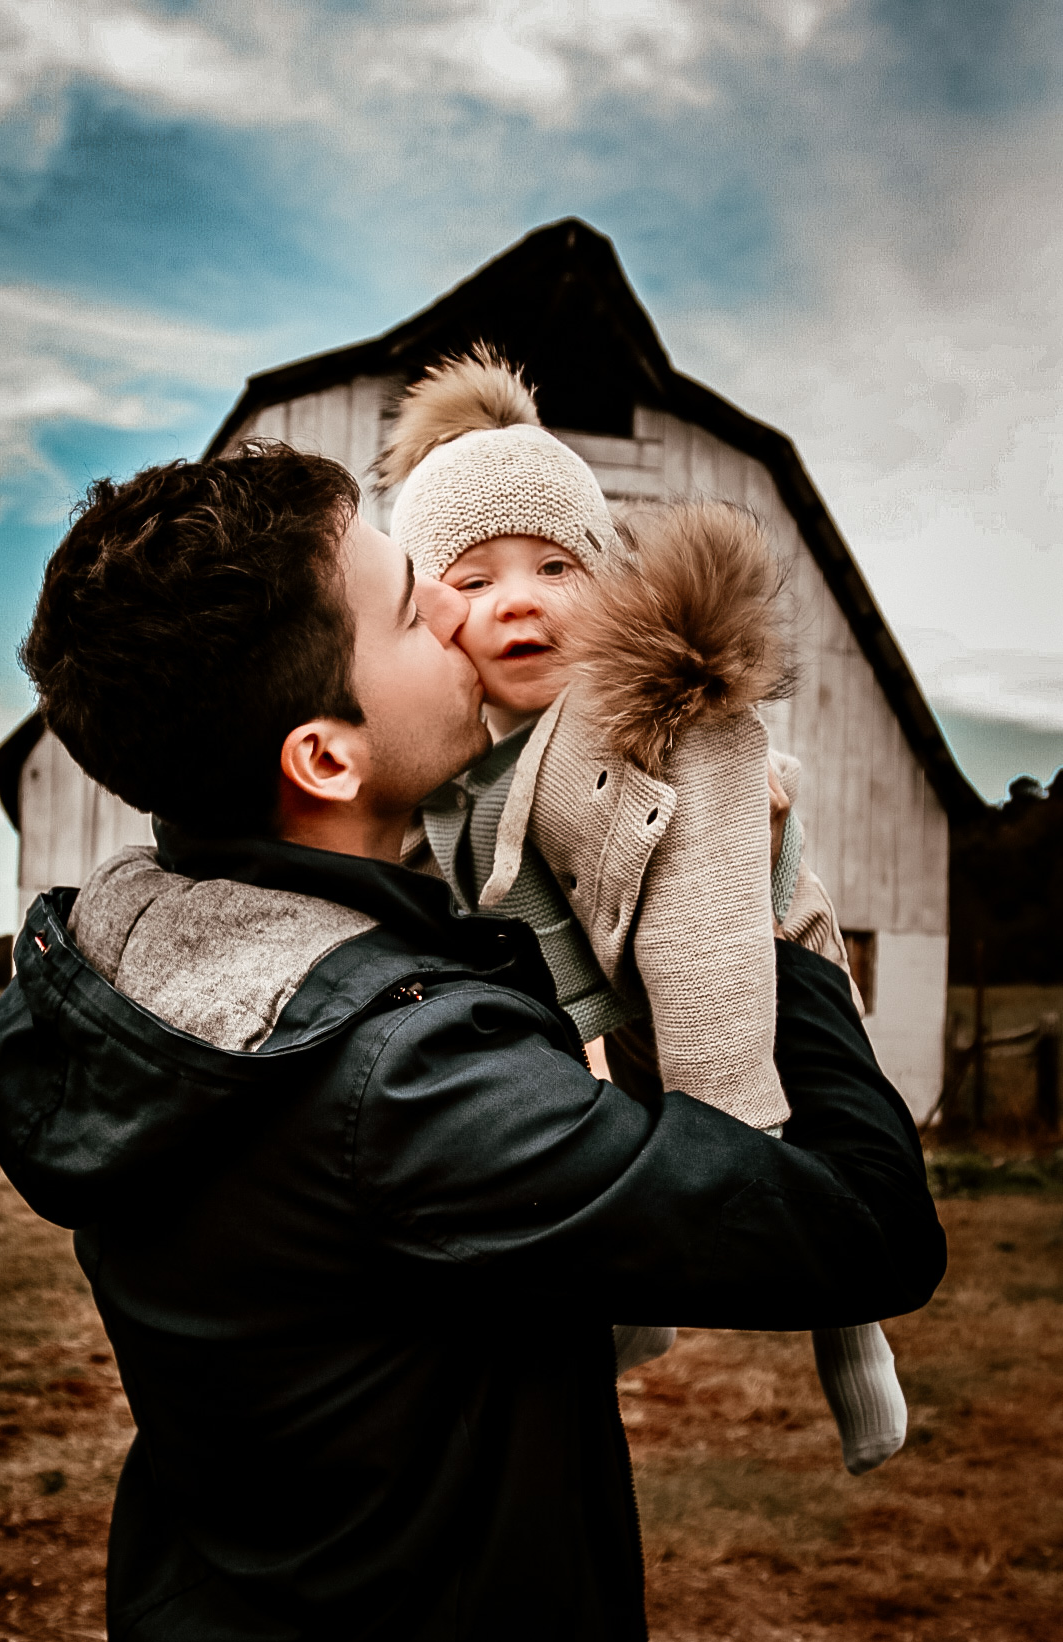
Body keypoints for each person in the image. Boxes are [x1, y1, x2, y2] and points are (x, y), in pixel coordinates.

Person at [0, 443, 945, 1642]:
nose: (453, 604)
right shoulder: (413, 1088)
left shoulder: (127, 950)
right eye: (405, 598)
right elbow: (866, 1231)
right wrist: (764, 898)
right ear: (323, 756)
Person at [382, 348, 909, 1474]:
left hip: (743, 954)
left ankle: (855, 1351)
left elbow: (711, 916)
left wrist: (726, 1120)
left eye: (550, 567)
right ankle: (637, 1306)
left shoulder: (659, 714)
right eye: (470, 582)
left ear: (607, 580)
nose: (514, 599)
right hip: (618, 989)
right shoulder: (475, 762)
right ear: (432, 618)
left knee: (814, 1182)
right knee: (605, 1133)